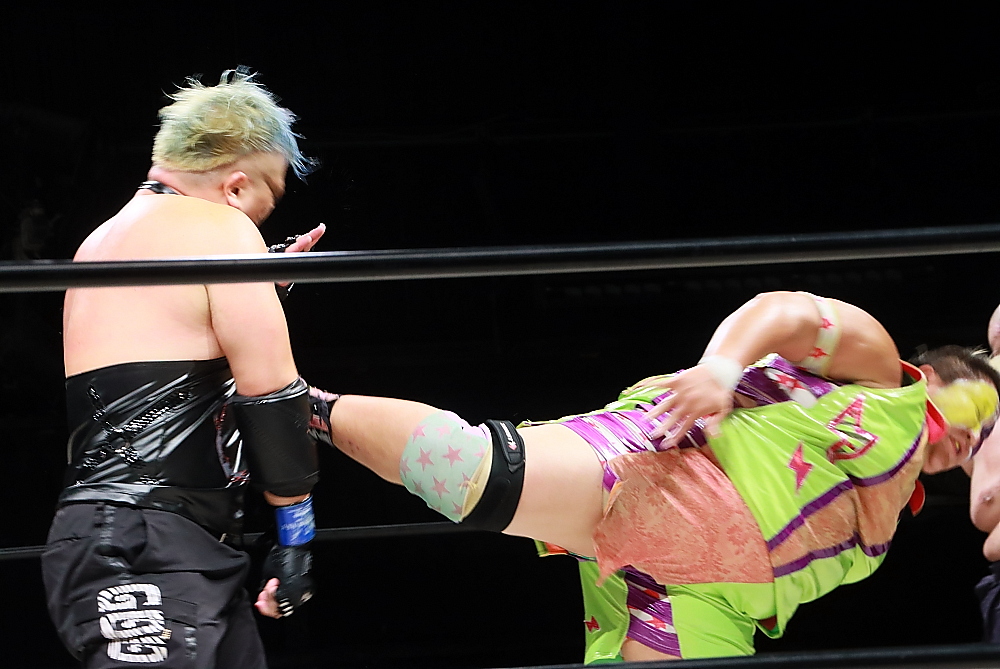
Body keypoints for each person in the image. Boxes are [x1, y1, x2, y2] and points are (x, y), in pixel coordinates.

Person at [307, 291, 1000, 663]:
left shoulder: (888, 512)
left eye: (989, 429)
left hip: (716, 598)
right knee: (472, 473)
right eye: (977, 404)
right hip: (677, 471)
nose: (976, 433)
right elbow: (782, 310)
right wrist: (720, 370)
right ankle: (297, 404)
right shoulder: (884, 377)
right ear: (933, 376)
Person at [42, 68, 327, 668]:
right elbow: (273, 394)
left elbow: (164, 346)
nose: (262, 221)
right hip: (148, 541)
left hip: (133, 538)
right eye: (268, 200)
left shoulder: (100, 241)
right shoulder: (223, 229)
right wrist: (296, 537)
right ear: (235, 187)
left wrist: (258, 283)